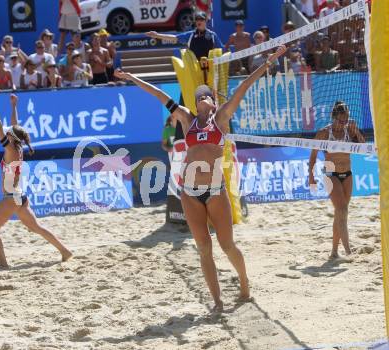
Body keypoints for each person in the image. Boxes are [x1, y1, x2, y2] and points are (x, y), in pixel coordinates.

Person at [114, 45, 287, 311]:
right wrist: (132, 78)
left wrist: (268, 63)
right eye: (197, 98)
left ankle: (244, 283)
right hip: (190, 192)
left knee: (227, 245)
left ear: (212, 100)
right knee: (204, 248)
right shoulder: (187, 119)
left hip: (216, 190)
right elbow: (160, 95)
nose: (200, 100)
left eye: (204, 97)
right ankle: (217, 302)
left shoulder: (221, 118)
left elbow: (244, 87)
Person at [0, 94, 72, 268]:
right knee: (37, 228)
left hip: (11, 197)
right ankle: (64, 250)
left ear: (11, 136)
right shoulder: (18, 147)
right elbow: (14, 125)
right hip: (21, 196)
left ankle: (3, 264)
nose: (7, 130)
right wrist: (13, 106)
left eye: (8, 131)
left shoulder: (10, 148)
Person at [309, 101, 365, 260]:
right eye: (341, 120)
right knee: (342, 210)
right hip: (330, 173)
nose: (343, 123)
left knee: (341, 214)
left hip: (347, 173)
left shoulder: (349, 129)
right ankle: (348, 251)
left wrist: (357, 132)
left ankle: (334, 251)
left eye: (346, 120)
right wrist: (311, 177)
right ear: (334, 117)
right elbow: (313, 155)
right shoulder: (324, 133)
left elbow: (363, 147)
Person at [146, 11, 223, 61]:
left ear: (206, 21)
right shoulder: (190, 35)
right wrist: (157, 35)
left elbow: (221, 50)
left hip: (210, 69)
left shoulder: (212, 36)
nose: (199, 21)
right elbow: (174, 38)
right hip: (195, 69)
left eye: (201, 19)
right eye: (197, 19)